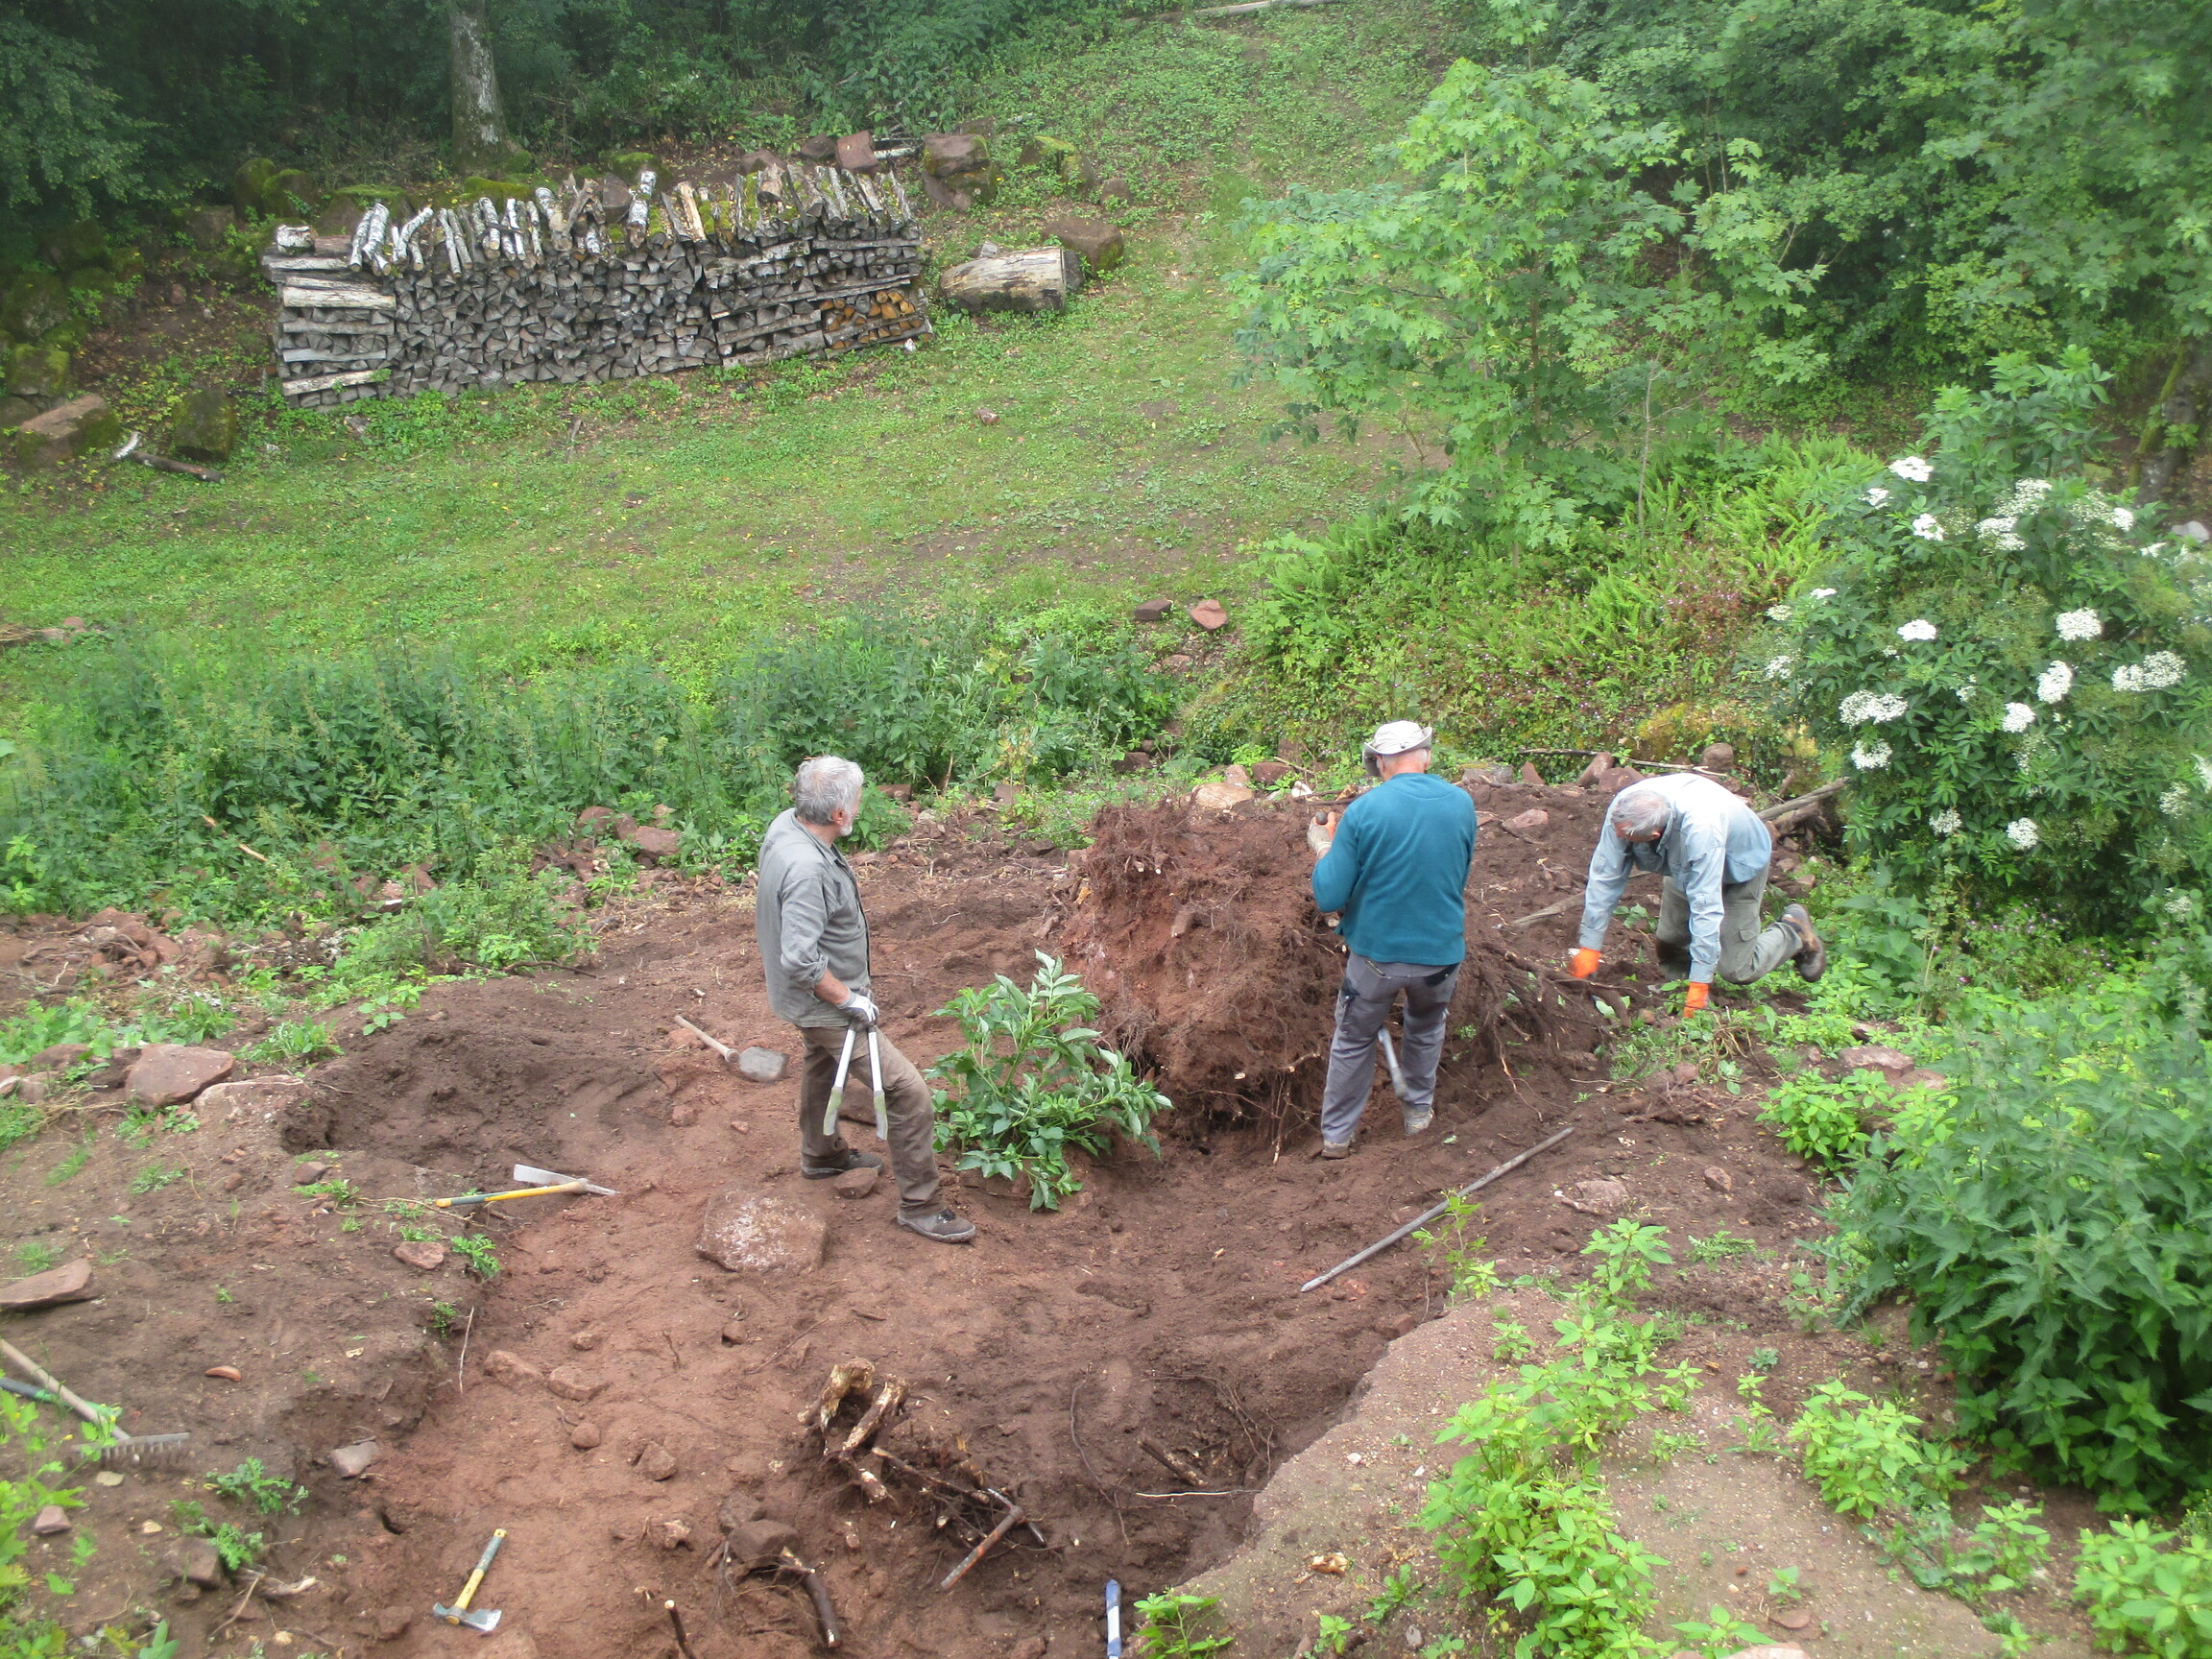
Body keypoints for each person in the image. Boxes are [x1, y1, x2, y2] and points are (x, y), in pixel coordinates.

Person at [755, 755, 974, 1243]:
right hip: (824, 1004)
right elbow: (800, 959)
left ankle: (821, 1155)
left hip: (803, 1002)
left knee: (820, 1062)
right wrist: (847, 999)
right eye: (855, 801)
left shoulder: (788, 825)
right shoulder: (808, 869)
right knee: (907, 1093)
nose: (859, 806)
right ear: (838, 814)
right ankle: (921, 1206)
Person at [1307, 721, 1478, 1159]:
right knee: (1426, 1028)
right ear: (1427, 755)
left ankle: (1337, 1138)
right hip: (1441, 956)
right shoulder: (1462, 804)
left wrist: (1325, 847)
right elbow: (1454, 875)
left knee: (1353, 1039)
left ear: (1380, 763)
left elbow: (1329, 897)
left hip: (1377, 959)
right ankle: (1418, 1116)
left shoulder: (1364, 811)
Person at [1570, 773, 1825, 1011]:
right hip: (1684, 859)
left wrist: (1701, 983)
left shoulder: (1701, 830)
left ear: (1654, 835)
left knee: (1736, 969)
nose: (1619, 838)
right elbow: (1606, 875)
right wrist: (1590, 947)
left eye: (1626, 837)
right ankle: (1678, 987)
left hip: (1740, 863)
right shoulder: (1624, 809)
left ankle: (1794, 932)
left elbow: (1706, 906)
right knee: (1671, 940)